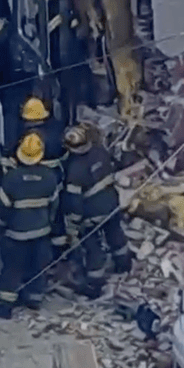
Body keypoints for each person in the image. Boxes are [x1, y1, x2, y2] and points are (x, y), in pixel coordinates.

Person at [0, 132, 60, 319]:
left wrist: (2, 226)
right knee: (38, 266)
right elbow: (54, 205)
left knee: (12, 268)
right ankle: (33, 299)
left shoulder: (11, 178)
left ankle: (6, 305)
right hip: (41, 233)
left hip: (16, 234)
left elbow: (3, 209)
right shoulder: (49, 176)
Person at [62, 125, 131, 299]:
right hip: (111, 203)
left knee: (92, 246)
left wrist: (74, 222)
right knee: (115, 234)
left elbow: (74, 200)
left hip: (92, 212)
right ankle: (124, 264)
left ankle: (94, 284)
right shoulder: (100, 151)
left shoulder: (74, 168)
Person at [3, 96, 68, 252]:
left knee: (36, 213)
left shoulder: (29, 138)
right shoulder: (56, 131)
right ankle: (60, 247)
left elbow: (17, 158)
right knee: (57, 212)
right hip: (57, 178)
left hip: (34, 179)